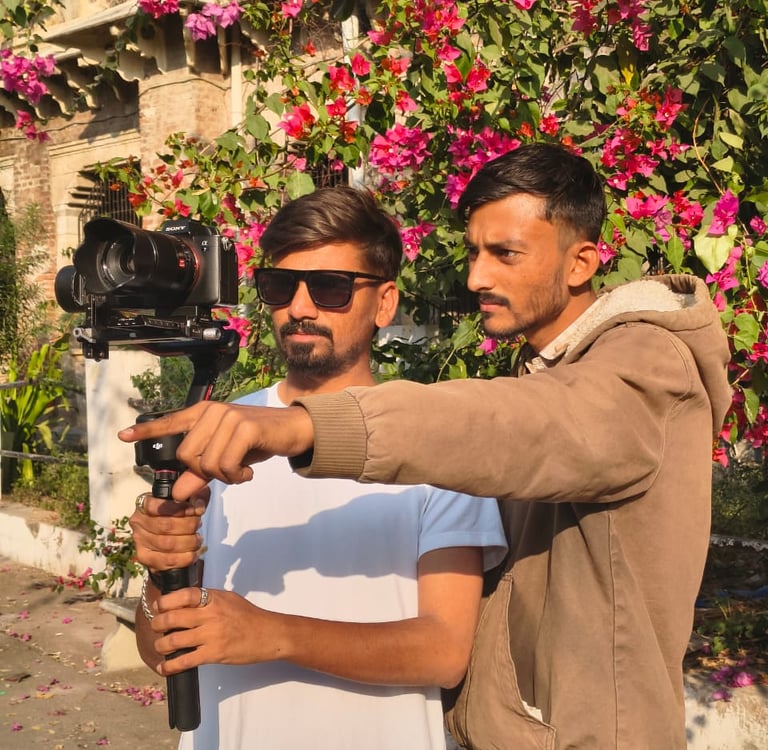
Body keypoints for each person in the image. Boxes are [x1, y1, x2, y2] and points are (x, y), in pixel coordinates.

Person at [121, 144, 733, 750]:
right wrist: (161, 571)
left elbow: (530, 426)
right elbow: (167, 640)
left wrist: (301, 430)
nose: (475, 278)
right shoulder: (231, 432)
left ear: (580, 264)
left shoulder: (645, 367)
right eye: (280, 285)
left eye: (505, 253)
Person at [128, 186, 508, 750]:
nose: (300, 308)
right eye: (281, 286)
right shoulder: (219, 434)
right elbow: (158, 648)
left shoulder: (434, 442)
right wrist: (161, 573)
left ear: (385, 303)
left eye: (331, 287)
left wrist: (272, 634)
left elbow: (444, 651)